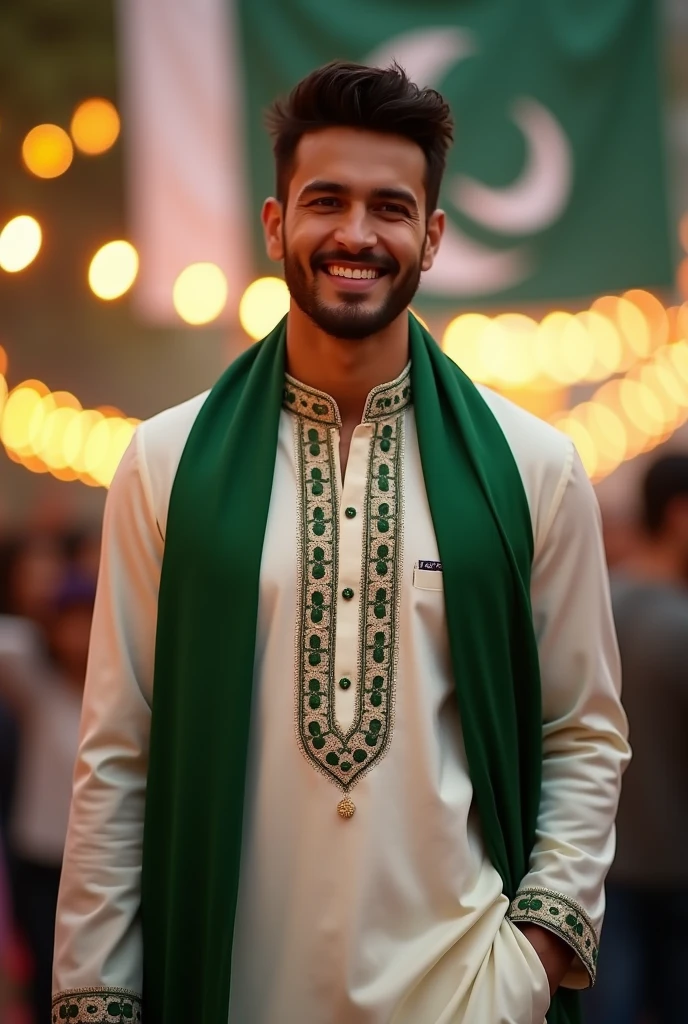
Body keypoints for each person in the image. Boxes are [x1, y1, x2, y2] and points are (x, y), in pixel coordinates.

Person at [52, 62, 629, 1024]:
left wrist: (527, 962)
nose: (356, 235)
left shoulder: (535, 467)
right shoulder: (166, 463)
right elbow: (119, 754)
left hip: (464, 997)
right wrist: (96, 993)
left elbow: (584, 731)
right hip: (234, 985)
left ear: (433, 238)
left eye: (390, 208)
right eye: (327, 202)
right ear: (277, 224)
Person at [584, 455, 688, 1024]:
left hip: (597, 867)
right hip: (672, 873)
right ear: (679, 515)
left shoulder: (597, 602)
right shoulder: (677, 623)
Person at [0, 571, 93, 1023]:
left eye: (88, 620)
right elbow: (8, 639)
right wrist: (38, 605)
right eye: (68, 621)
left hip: (95, 858)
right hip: (41, 857)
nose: (78, 633)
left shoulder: (115, 692)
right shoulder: (38, 687)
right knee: (43, 971)